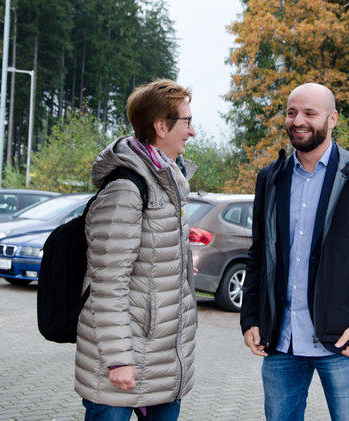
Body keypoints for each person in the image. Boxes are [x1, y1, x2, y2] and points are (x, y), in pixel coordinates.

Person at [240, 83, 349, 421]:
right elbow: (259, 253)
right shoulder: (270, 178)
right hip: (281, 342)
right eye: (291, 112)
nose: (298, 120)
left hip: (342, 342)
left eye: (310, 113)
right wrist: (250, 318)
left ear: (332, 119)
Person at [75, 79, 198, 421]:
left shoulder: (168, 180)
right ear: (161, 126)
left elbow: (148, 263)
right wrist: (118, 359)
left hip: (162, 364)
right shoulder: (127, 189)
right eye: (187, 122)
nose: (192, 131)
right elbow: (107, 282)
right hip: (125, 366)